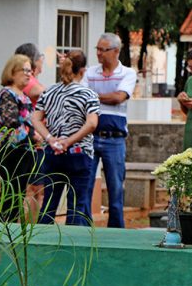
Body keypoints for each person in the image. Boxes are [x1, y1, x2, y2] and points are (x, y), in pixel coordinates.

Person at [33, 50, 100, 226]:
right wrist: (69, 141)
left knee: (48, 204)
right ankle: (74, 247)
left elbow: (35, 118)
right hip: (79, 153)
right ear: (83, 70)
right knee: (77, 206)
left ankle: (40, 243)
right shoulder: (88, 94)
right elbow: (92, 123)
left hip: (53, 153)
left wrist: (50, 138)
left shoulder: (49, 92)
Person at [83, 33, 137, 228]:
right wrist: (103, 96)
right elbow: (82, 96)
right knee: (86, 185)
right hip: (90, 136)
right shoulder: (90, 72)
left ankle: (116, 229)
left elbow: (119, 97)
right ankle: (84, 227)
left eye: (103, 50)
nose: (98, 54)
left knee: (115, 188)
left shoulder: (127, 73)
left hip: (115, 138)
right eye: (97, 49)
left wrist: (93, 96)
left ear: (116, 51)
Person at [0, 54, 36, 222]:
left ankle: (12, 230)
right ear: (12, 71)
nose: (28, 74)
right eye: (24, 70)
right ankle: (4, 232)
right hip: (11, 151)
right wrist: (34, 135)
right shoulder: (7, 94)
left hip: (24, 150)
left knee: (19, 195)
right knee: (11, 195)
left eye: (30, 71)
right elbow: (11, 122)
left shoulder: (24, 95)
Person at [14, 43, 46, 218]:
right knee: (34, 189)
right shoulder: (29, 83)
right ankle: (31, 228)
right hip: (32, 143)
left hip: (37, 143)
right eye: (40, 57)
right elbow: (48, 95)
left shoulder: (31, 81)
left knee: (37, 189)